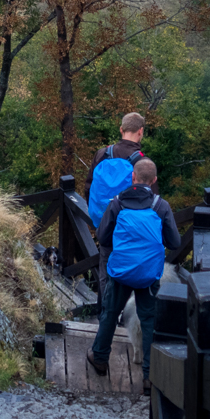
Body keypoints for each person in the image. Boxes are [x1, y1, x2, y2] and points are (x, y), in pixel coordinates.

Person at [86, 158, 180, 396]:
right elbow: (175, 242)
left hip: (121, 271)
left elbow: (103, 237)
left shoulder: (117, 203)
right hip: (148, 274)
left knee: (110, 312)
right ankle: (149, 376)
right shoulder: (161, 206)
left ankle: (99, 359)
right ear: (154, 181)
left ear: (133, 178)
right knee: (148, 320)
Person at [87, 112, 158, 311]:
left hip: (106, 225)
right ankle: (126, 316)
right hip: (133, 230)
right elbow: (152, 200)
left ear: (121, 129)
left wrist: (99, 220)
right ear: (141, 132)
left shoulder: (102, 154)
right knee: (133, 271)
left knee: (105, 270)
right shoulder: (142, 163)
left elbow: (88, 189)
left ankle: (106, 315)